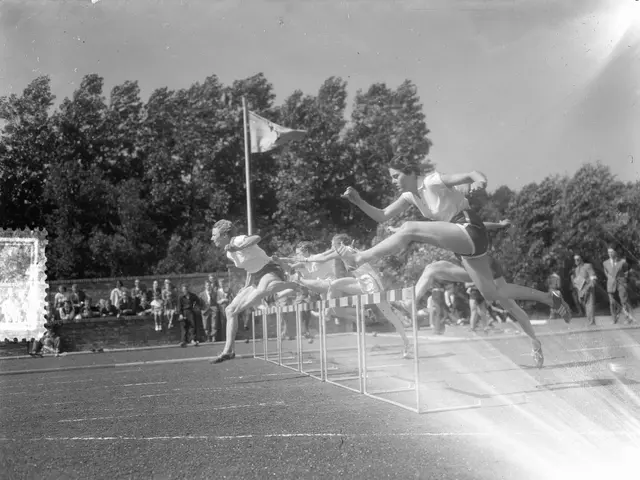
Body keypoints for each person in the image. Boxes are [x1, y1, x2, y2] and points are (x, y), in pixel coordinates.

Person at [337, 155, 569, 367]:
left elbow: (472, 174)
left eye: (396, 176)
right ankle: (550, 299)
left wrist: (480, 182)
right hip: (465, 247)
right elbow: (382, 215)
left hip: (469, 229)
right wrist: (358, 201)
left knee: (409, 229)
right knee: (494, 295)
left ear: (410, 173)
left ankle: (360, 257)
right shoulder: (409, 196)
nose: (393, 181)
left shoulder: (432, 181)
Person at [299, 233, 413, 359]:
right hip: (361, 281)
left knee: (388, 314)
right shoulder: (344, 250)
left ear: (340, 244)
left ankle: (406, 340)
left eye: (333, 245)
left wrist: (304, 259)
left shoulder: (344, 250)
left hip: (371, 282)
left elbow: (322, 258)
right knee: (335, 284)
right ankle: (329, 313)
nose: (331, 247)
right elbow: (325, 256)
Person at [209, 220, 300, 364]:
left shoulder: (237, 240)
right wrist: (246, 286)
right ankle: (228, 351)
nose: (212, 238)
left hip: (271, 269)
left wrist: (238, 246)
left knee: (262, 290)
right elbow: (250, 267)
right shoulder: (228, 254)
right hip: (256, 277)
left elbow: (256, 238)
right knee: (230, 310)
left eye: (214, 235)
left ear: (224, 235)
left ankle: (295, 285)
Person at [603, 246, 636, 325]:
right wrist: (610, 279)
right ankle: (614, 319)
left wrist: (624, 280)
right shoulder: (605, 263)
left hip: (621, 283)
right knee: (612, 302)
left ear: (616, 252)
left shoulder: (622, 262)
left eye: (612, 252)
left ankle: (628, 319)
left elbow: (627, 271)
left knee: (623, 301)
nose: (610, 254)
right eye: (608, 252)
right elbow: (606, 273)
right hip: (611, 284)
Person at [573, 254, 597, 326]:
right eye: (575, 260)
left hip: (588, 289)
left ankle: (591, 322)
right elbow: (578, 281)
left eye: (578, 259)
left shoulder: (587, 266)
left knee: (590, 305)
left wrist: (590, 286)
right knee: (586, 307)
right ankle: (590, 321)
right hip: (581, 290)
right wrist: (578, 291)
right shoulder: (576, 269)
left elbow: (593, 277)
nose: (576, 261)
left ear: (581, 259)